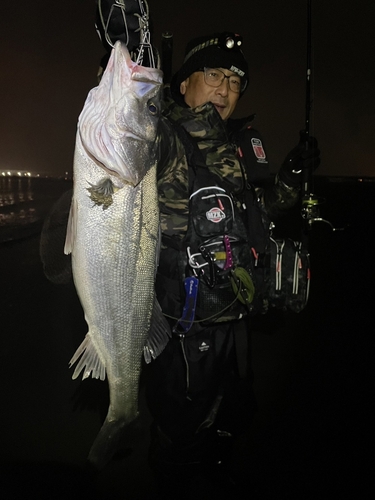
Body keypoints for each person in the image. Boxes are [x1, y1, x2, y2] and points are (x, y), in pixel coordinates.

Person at [42, 2, 320, 498]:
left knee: (235, 411)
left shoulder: (237, 145)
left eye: (234, 83)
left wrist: (293, 179)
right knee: (181, 430)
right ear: (185, 82)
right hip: (186, 331)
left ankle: (215, 465)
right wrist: (135, 46)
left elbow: (261, 211)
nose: (224, 89)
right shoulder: (164, 136)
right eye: (212, 74)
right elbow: (136, 116)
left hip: (238, 321)